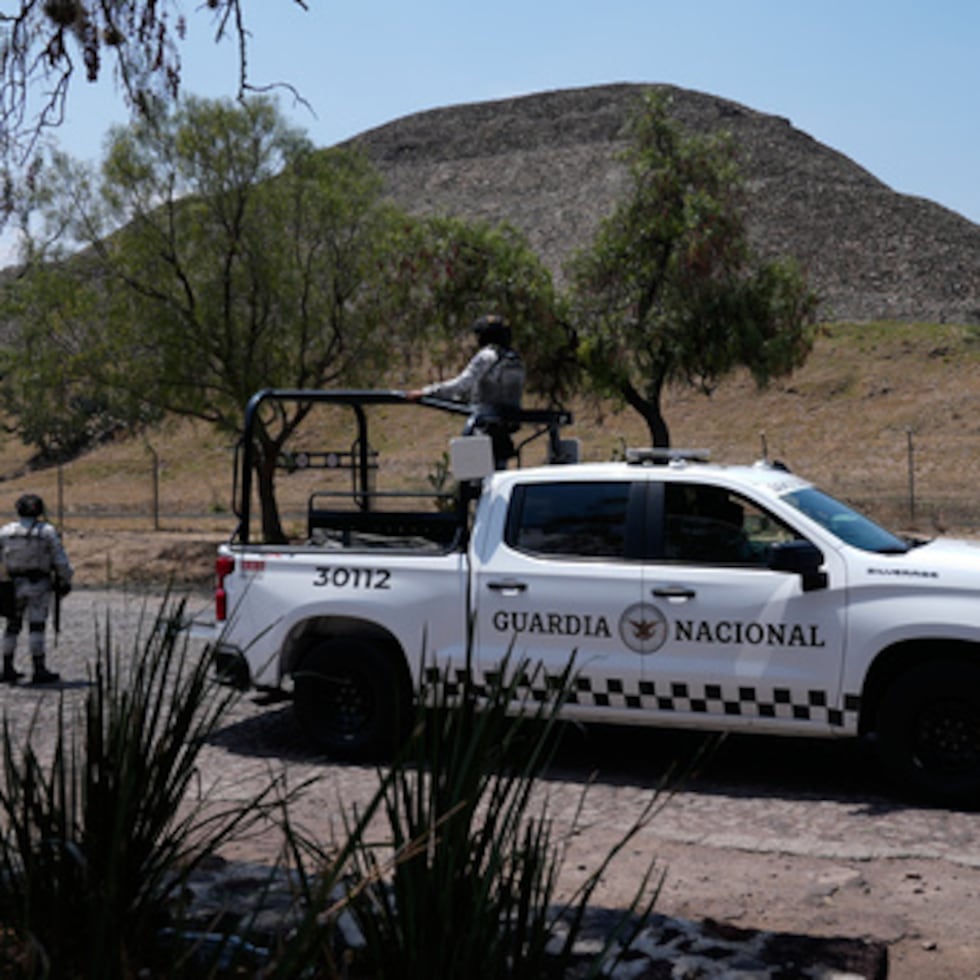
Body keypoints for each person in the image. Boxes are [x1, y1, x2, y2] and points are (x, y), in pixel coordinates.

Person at [406, 314, 525, 467]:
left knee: (472, 480)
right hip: (504, 427)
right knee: (496, 475)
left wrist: (428, 391)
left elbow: (462, 383)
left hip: (483, 425)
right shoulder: (515, 359)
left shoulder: (487, 356)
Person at [0, 493, 73, 684]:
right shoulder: (47, 531)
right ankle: (38, 668)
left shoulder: (6, 531)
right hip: (39, 583)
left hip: (12, 584)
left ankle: (7, 667)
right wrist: (65, 580)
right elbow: (60, 560)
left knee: (12, 627)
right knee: (37, 626)